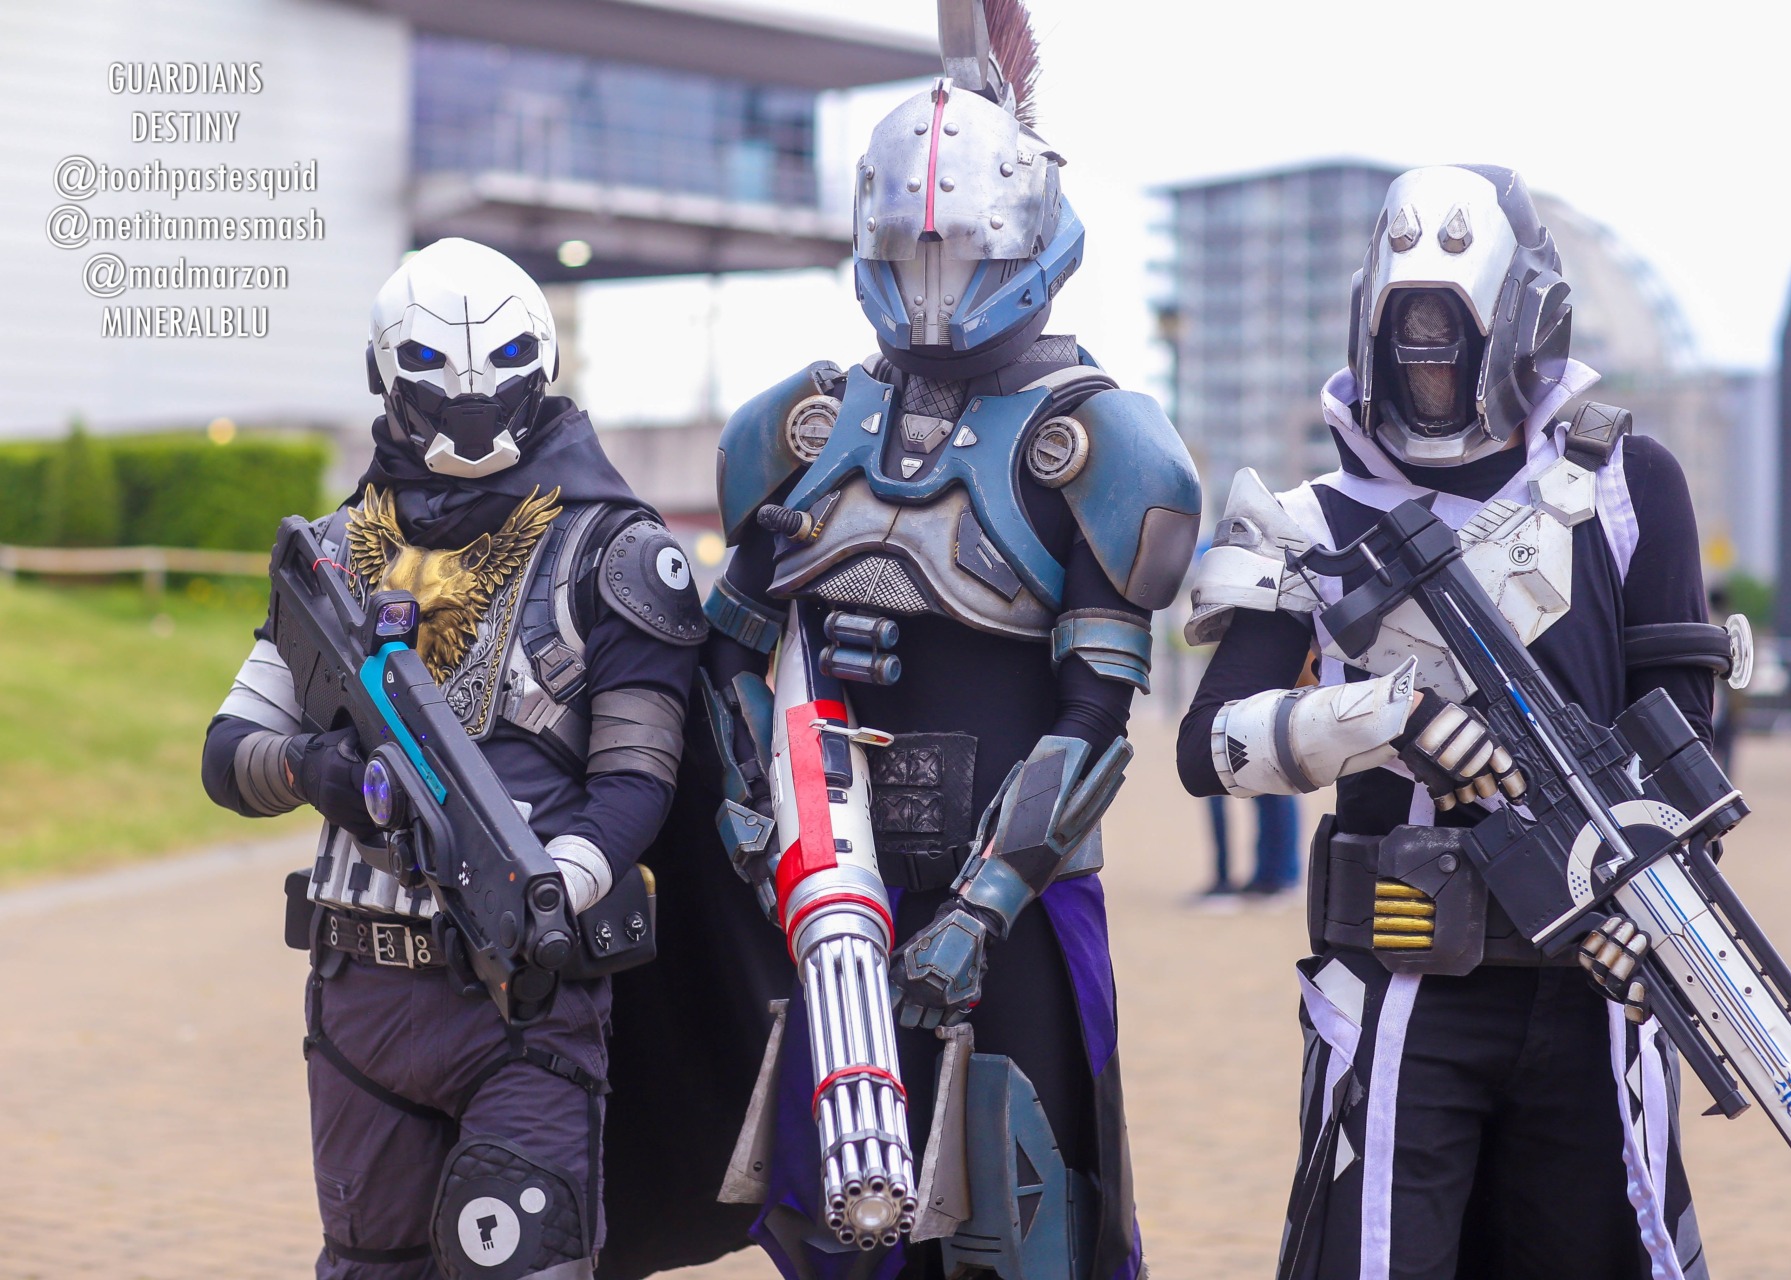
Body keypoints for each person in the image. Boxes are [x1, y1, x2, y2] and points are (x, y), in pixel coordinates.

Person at [696, 3, 1200, 1276]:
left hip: (1009, 909)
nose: (932, 282)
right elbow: (730, 648)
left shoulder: (1095, 441)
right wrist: (756, 822)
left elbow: (1096, 717)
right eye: (909, 250)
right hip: (835, 891)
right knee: (843, 1220)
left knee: (1026, 1223)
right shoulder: (805, 426)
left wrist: (982, 909)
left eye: (962, 249)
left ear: (1025, 239)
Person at [1178, 166, 1717, 1279]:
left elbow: (1687, 738)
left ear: (1517, 325)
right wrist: (1388, 717)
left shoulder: (1627, 484)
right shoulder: (1308, 520)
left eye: (1451, 335)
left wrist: (1665, 898)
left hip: (1597, 973)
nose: (1429, 362)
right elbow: (1211, 742)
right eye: (1409, 336)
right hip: (1400, 983)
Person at [200, 237, 716, 1280]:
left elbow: (636, 783)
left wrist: (549, 889)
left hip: (525, 997)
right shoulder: (334, 551)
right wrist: (315, 770)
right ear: (387, 379)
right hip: (359, 996)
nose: (471, 416)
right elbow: (227, 752)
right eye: (440, 386)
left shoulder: (616, 551)